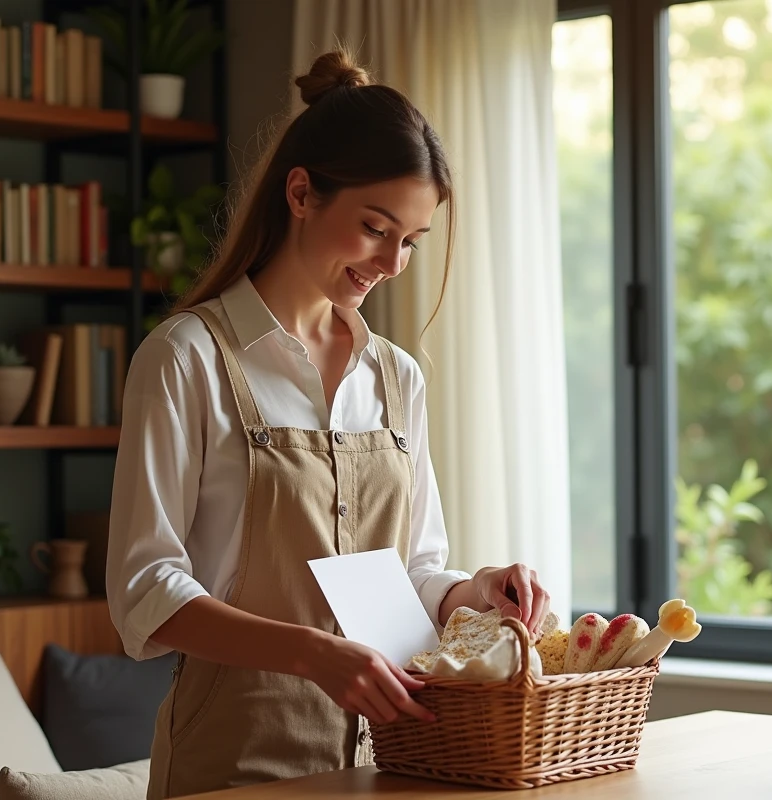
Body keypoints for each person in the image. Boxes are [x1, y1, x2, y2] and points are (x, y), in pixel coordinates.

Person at [105, 47, 553, 800]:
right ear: (302, 193)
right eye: (377, 227)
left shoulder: (396, 377)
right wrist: (315, 654)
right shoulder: (186, 359)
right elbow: (146, 590)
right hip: (229, 766)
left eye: (411, 241)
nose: (393, 262)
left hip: (392, 762)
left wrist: (474, 591)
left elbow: (406, 574)